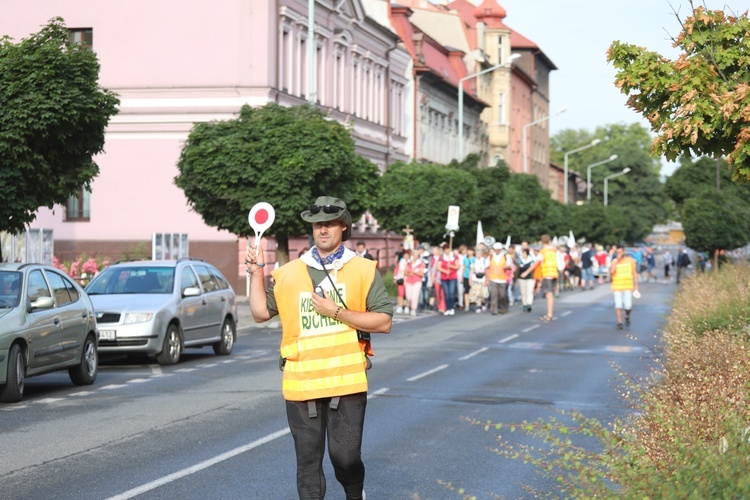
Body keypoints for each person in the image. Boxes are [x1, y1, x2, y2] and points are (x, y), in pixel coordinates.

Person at [246, 196, 392, 500]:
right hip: (302, 383)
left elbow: (383, 322)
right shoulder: (288, 273)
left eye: (329, 223)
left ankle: (355, 493)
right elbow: (260, 313)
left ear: (343, 226)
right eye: (316, 225)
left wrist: (336, 311)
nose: (322, 230)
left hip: (347, 382)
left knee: (345, 459)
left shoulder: (363, 270)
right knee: (308, 466)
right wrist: (256, 272)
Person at [523, 234, 558, 322]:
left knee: (549, 295)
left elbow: (536, 263)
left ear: (542, 242)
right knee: (550, 295)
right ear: (549, 241)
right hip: (554, 274)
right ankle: (550, 313)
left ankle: (549, 314)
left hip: (547, 274)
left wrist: (526, 272)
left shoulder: (543, 252)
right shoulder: (553, 251)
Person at [610, 244, 639, 330]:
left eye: (620, 252)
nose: (619, 254)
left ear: (624, 252)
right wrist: (617, 261)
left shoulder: (630, 261)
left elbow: (635, 273)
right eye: (617, 252)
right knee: (618, 305)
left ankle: (627, 315)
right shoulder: (614, 261)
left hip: (628, 286)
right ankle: (620, 323)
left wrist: (636, 286)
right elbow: (611, 272)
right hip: (617, 287)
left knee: (628, 306)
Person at [487, 242, 510, 315]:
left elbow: (510, 266)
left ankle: (503, 307)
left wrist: (506, 267)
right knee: (494, 294)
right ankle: (494, 310)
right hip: (493, 278)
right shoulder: (490, 257)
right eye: (496, 249)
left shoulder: (505, 256)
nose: (497, 251)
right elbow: (487, 267)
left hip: (502, 279)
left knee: (502, 295)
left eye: (498, 249)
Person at [438, 242, 460, 315]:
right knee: (446, 293)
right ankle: (447, 308)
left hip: (452, 277)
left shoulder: (454, 257)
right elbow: (438, 267)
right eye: (445, 249)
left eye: (448, 249)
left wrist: (451, 266)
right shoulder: (441, 257)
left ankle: (451, 307)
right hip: (444, 277)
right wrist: (445, 271)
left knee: (451, 292)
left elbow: (458, 266)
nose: (447, 251)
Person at [404, 249, 425, 316]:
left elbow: (421, 274)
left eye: (416, 256)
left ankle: (413, 309)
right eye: (414, 255)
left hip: (417, 281)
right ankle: (408, 305)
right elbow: (405, 272)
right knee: (409, 296)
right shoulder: (409, 263)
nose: (415, 257)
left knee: (414, 296)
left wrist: (415, 272)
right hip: (409, 281)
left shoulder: (420, 264)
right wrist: (410, 273)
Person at [517, 247, 536, 312]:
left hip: (530, 278)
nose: (523, 254)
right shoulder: (520, 260)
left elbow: (532, 268)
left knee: (529, 291)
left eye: (524, 253)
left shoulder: (531, 260)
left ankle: (529, 304)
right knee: (523, 292)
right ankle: (524, 304)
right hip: (521, 278)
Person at [462, 247, 476, 313]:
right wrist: (462, 276)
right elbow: (464, 268)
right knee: (466, 291)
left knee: (474, 291)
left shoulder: (475, 259)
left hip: (473, 277)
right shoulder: (465, 259)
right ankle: (467, 305)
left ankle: (473, 304)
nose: (469, 252)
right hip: (466, 276)